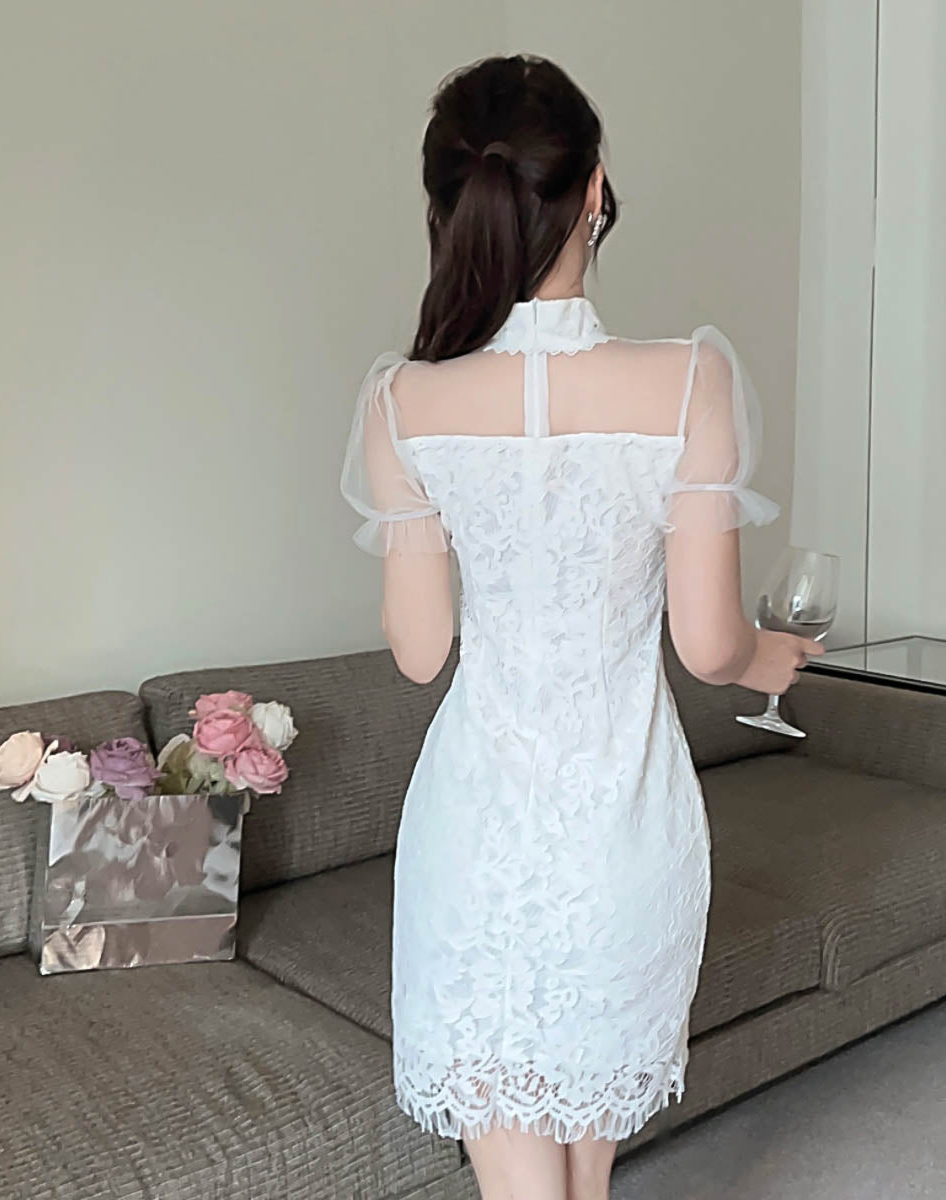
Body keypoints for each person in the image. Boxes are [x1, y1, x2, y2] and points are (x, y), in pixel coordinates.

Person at [340, 53, 822, 1200]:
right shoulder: (688, 379)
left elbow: (420, 654)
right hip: (621, 823)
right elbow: (709, 646)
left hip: (475, 831)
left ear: (447, 207)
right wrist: (773, 656)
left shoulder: (400, 402)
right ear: (594, 189)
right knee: (582, 1174)